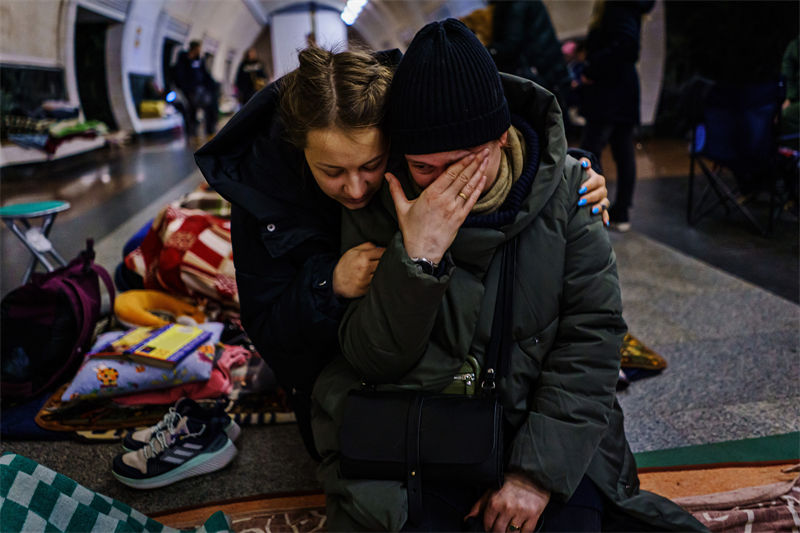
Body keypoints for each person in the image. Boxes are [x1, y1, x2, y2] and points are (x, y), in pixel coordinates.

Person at [311, 19, 705, 532]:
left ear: (502, 137)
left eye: (463, 162)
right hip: (420, 438)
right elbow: (372, 359)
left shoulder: (571, 193)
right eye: (424, 167)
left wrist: (534, 476)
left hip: (537, 429)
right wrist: (417, 259)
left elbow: (592, 337)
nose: (446, 183)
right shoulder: (384, 197)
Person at [195, 46, 609, 462]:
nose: (357, 190)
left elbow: (474, 115)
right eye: (332, 172)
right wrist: (327, 283)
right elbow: (270, 329)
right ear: (299, 149)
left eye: (370, 165)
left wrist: (568, 171)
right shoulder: (262, 197)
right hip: (333, 385)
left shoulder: (409, 143)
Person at [579, 0, 655, 232]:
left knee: (590, 150)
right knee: (622, 149)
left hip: (610, 89)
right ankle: (619, 212)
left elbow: (626, 45)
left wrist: (593, 67)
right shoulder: (629, 5)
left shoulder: (619, 5)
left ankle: (591, 211)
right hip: (622, 87)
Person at [173, 40, 219, 140]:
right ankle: (192, 133)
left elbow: (205, 74)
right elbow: (180, 76)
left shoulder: (199, 60)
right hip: (189, 90)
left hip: (201, 89)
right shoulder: (183, 59)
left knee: (210, 107)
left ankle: (209, 131)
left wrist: (213, 84)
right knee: (191, 111)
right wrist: (186, 89)